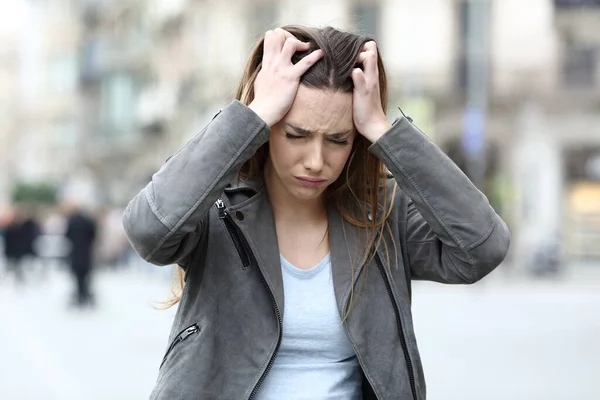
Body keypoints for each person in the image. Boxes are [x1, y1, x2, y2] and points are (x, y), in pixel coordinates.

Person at [123, 25, 510, 400]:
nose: (316, 161)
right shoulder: (216, 205)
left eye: (338, 140)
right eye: (296, 135)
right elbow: (148, 230)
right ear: (269, 127)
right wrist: (250, 116)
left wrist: (383, 129)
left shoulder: (384, 213)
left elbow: (482, 247)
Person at [64, 201, 97, 308]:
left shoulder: (71, 221)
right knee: (86, 276)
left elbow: (67, 235)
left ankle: (79, 295)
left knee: (78, 277)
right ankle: (85, 294)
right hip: (86, 252)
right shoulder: (88, 221)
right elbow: (93, 235)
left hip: (75, 252)